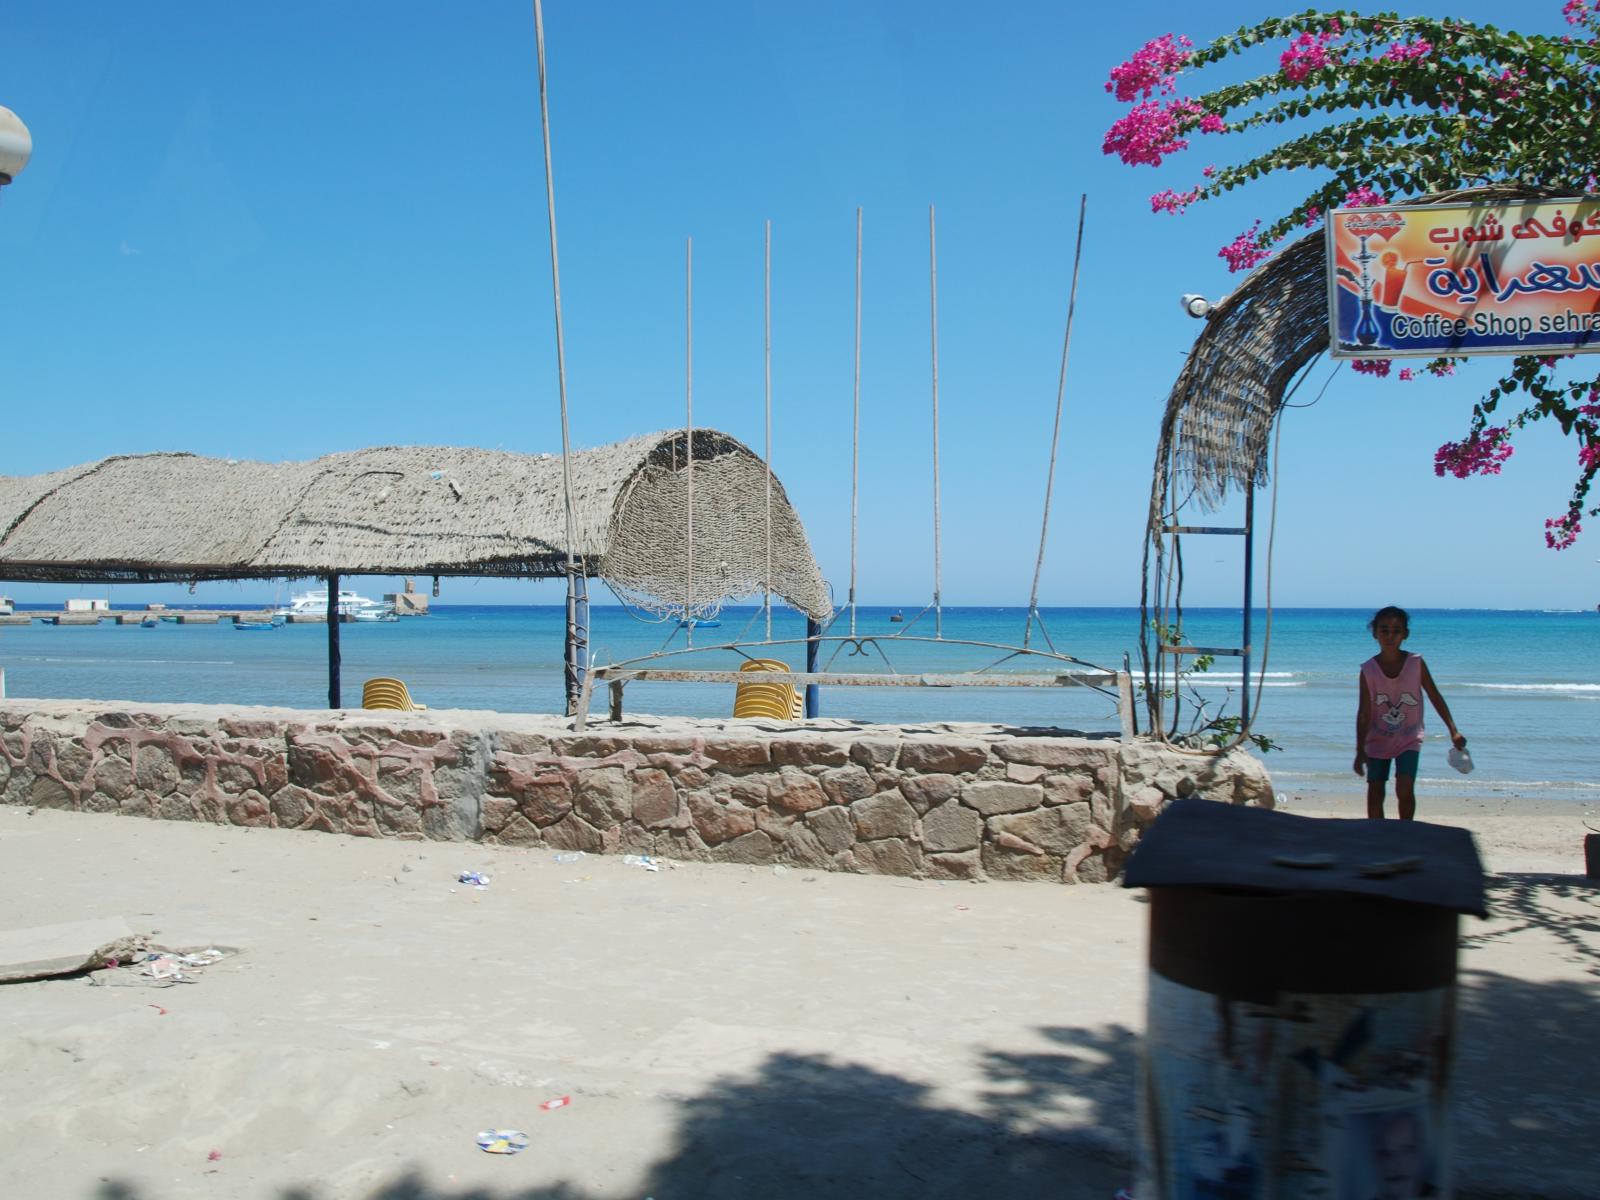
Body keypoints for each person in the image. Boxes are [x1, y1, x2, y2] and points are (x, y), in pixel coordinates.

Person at [1353, 606, 1466, 820]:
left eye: (1396, 631)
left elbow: (1435, 696)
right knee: (1375, 792)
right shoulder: (1368, 670)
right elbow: (1364, 713)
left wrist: (1453, 730)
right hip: (1377, 739)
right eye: (1384, 630)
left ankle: (1405, 832)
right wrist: (1359, 750)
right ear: (1375, 633)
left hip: (1409, 738)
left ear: (1405, 634)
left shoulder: (1416, 663)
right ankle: (1377, 834)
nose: (1390, 636)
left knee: (1405, 790)